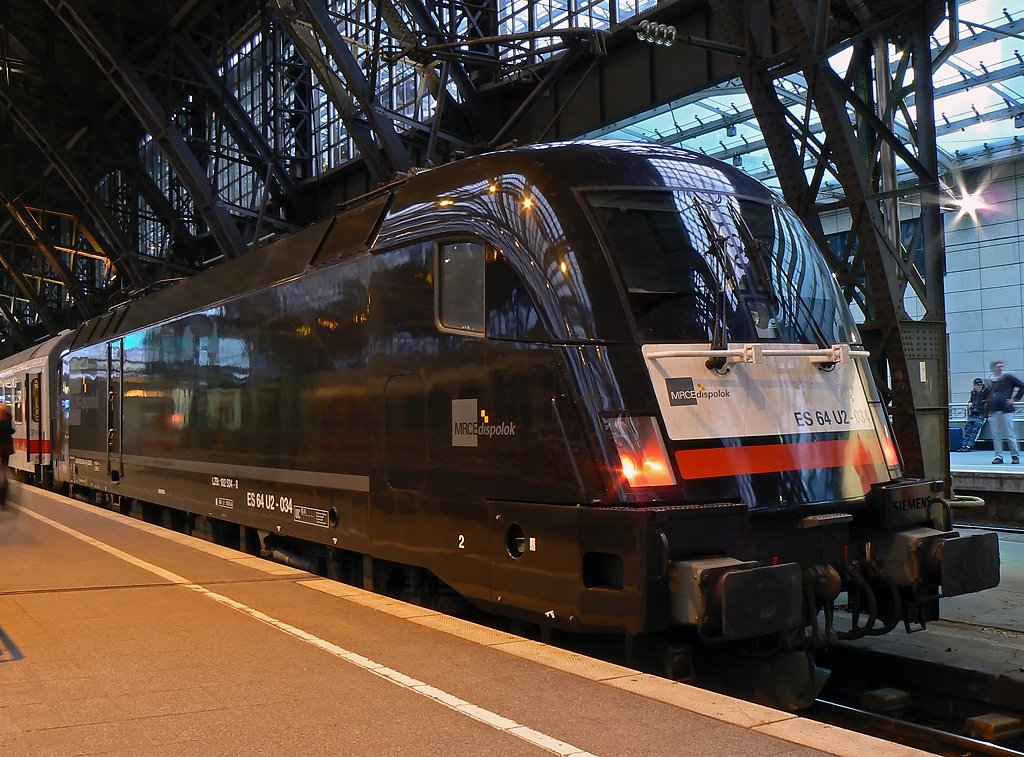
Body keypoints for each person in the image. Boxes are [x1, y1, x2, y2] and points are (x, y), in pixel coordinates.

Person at [985, 360, 1024, 464]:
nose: (1000, 368)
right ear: (993, 368)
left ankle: (1015, 455)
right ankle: (998, 456)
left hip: (1006, 409)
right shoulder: (989, 379)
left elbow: (1022, 386)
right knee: (996, 434)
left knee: (1009, 433)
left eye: (1001, 366)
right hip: (994, 410)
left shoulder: (1007, 377)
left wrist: (1015, 399)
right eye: (998, 366)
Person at [956, 378, 990, 452]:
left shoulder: (986, 392)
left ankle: (969, 445)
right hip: (973, 413)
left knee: (975, 430)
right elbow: (971, 400)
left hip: (981, 414)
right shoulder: (973, 392)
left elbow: (990, 401)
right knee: (968, 429)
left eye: (980, 385)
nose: (979, 387)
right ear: (974, 386)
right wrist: (970, 403)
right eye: (977, 385)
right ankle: (964, 445)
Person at [0, 403, 12, 506]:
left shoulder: (7, 416)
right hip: (6, 449)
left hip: (4, 448)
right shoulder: (8, 416)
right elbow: (11, 430)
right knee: (3, 470)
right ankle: (3, 497)